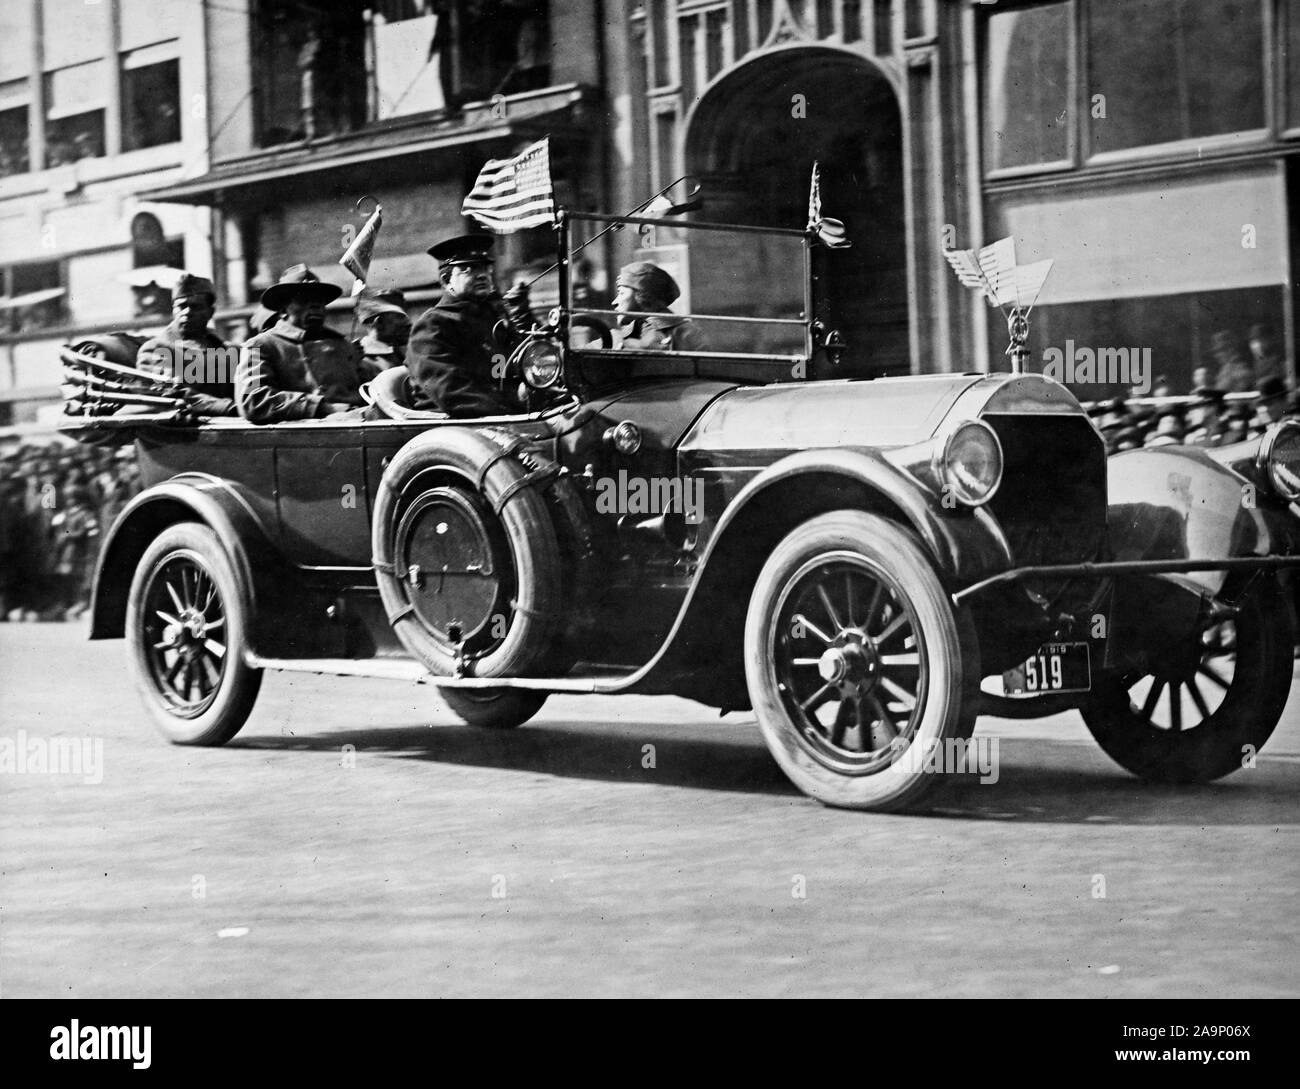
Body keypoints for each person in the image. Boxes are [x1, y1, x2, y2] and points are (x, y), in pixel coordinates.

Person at [405, 233, 528, 417]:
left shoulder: (493, 316)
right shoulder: (433, 325)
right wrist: (513, 403)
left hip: (502, 414)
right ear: (447, 280)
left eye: (486, 269)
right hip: (453, 425)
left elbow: (517, 364)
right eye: (469, 269)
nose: (482, 276)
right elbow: (451, 391)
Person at [236, 265, 366, 423]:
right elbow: (254, 401)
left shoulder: (343, 344)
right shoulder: (258, 346)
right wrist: (324, 407)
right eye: (304, 300)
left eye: (319, 301)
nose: (315, 306)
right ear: (284, 309)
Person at [135, 273, 238, 417]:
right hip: (183, 434)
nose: (187, 312)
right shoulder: (156, 349)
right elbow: (169, 393)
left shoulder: (229, 351)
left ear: (210, 312)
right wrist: (227, 407)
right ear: (173, 310)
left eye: (196, 306)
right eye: (181, 306)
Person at [613, 262, 707, 352]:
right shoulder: (618, 335)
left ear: (645, 296)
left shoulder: (688, 335)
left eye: (622, 293)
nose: (614, 302)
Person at [354, 287, 411, 379]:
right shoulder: (361, 361)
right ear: (379, 322)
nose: (409, 322)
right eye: (400, 316)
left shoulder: (404, 354)